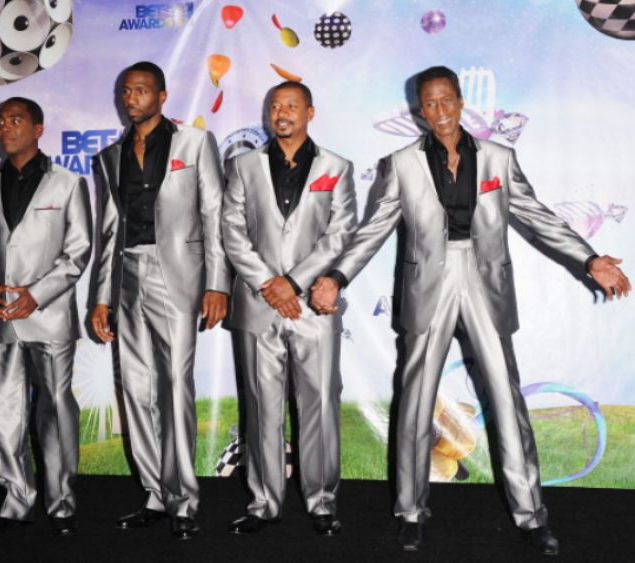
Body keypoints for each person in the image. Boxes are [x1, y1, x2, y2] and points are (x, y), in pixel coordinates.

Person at [309, 66, 631, 555]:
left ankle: (531, 516)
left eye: (446, 101)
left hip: (485, 285)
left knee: (507, 400)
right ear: (420, 110)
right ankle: (411, 512)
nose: (439, 112)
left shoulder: (499, 158)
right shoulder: (401, 164)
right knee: (415, 403)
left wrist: (589, 260)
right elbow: (372, 231)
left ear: (460, 102)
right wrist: (336, 276)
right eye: (429, 104)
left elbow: (537, 216)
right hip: (427, 288)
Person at [90, 61, 229, 540]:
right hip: (128, 273)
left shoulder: (195, 143)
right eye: (126, 91)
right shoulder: (110, 156)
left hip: (179, 277)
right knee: (136, 388)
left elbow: (214, 214)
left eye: (141, 90)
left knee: (174, 386)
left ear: (162, 96)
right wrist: (102, 296)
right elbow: (109, 230)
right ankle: (154, 494)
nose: (131, 98)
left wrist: (217, 283)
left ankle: (184, 500)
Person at [222, 81, 357, 536]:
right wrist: (268, 283)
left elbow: (340, 234)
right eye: (275, 106)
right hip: (258, 304)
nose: (281, 113)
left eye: (291, 106)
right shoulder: (242, 166)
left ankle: (322, 502)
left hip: (313, 305)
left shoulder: (336, 167)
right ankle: (263, 502)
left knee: (320, 404)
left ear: (309, 112)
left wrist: (293, 283)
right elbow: (232, 230)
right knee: (261, 407)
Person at [0, 97, 92, 536]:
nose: (6, 128)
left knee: (55, 411)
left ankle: (62, 505)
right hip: (1, 316)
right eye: (0, 121)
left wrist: (36, 295)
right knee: (5, 415)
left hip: (49, 315)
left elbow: (78, 251)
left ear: (38, 128)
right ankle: (16, 502)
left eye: (16, 120)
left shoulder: (68, 183)